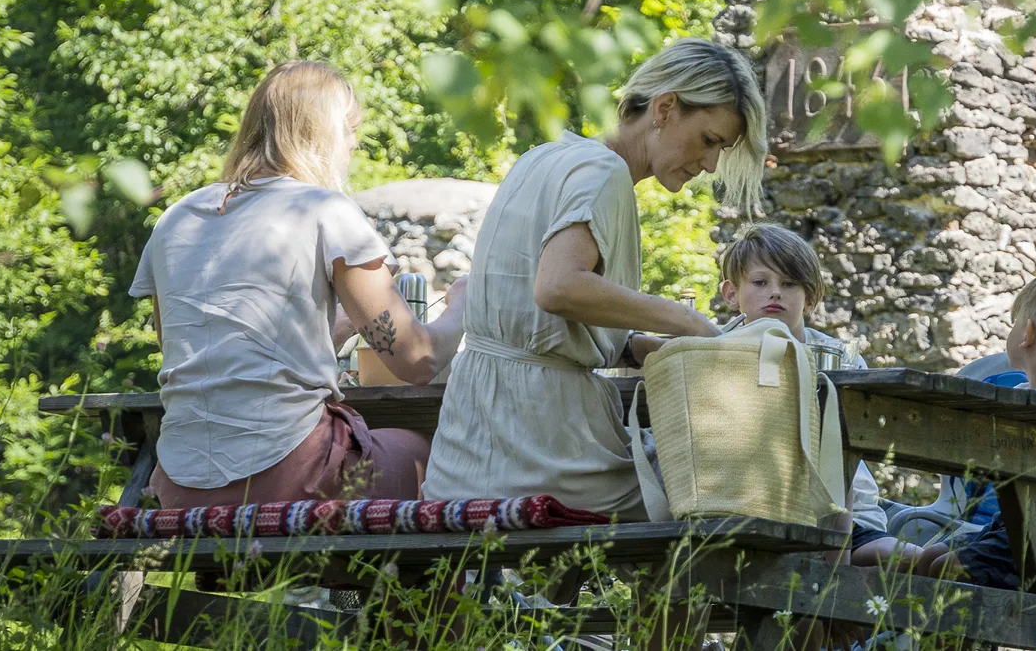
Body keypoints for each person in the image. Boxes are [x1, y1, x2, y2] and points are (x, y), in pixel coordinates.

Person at [422, 38, 767, 519]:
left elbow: (529, 312)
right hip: (542, 445)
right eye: (709, 140)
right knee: (722, 503)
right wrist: (687, 322)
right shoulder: (605, 172)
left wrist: (631, 346)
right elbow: (558, 287)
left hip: (466, 444)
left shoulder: (543, 156)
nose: (710, 164)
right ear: (665, 108)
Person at [130, 61, 468, 508]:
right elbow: (418, 360)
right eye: (349, 128)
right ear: (323, 132)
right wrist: (464, 307)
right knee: (426, 453)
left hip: (181, 488)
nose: (354, 143)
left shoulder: (177, 218)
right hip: (288, 478)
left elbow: (199, 350)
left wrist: (334, 330)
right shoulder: (322, 209)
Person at [713, 223, 925, 568]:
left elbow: (864, 438)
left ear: (809, 297)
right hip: (755, 508)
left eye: (789, 283)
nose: (775, 293)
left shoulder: (838, 357)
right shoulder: (714, 351)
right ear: (731, 294)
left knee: (902, 559)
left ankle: (945, 563)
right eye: (760, 282)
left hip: (850, 514)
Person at [904, 271, 1036, 587]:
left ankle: (956, 636)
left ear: (1027, 333)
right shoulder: (1024, 390)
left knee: (946, 568)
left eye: (1013, 323)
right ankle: (928, 634)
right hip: (1019, 525)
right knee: (928, 557)